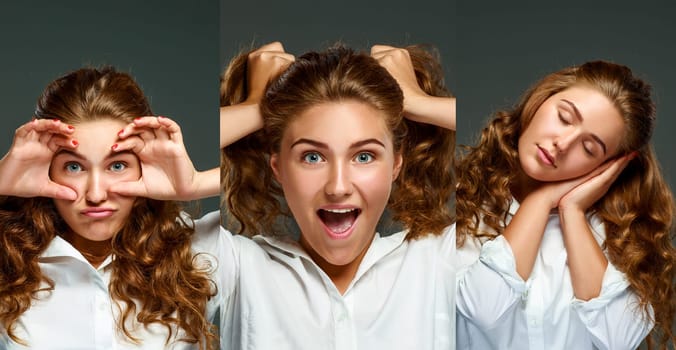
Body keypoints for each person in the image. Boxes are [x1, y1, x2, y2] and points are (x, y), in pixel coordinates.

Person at [219, 42, 455, 349]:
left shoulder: (439, 261)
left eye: (364, 156)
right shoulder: (239, 269)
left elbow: (519, 150)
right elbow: (172, 176)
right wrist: (255, 107)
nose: (338, 186)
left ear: (396, 164)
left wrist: (419, 103)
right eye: (313, 157)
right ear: (277, 167)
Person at [455, 61, 675, 349]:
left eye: (589, 148)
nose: (563, 143)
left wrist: (571, 211)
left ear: (608, 166)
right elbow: (483, 309)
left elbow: (619, 339)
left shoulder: (615, 234)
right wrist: (542, 199)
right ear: (541, 99)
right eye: (564, 117)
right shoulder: (462, 201)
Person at [0, 67, 222, 349]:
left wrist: (196, 183)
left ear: (143, 165)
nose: (95, 195)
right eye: (73, 166)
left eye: (117, 166)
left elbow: (277, 175)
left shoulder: (196, 253)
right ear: (47, 170)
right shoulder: (8, 261)